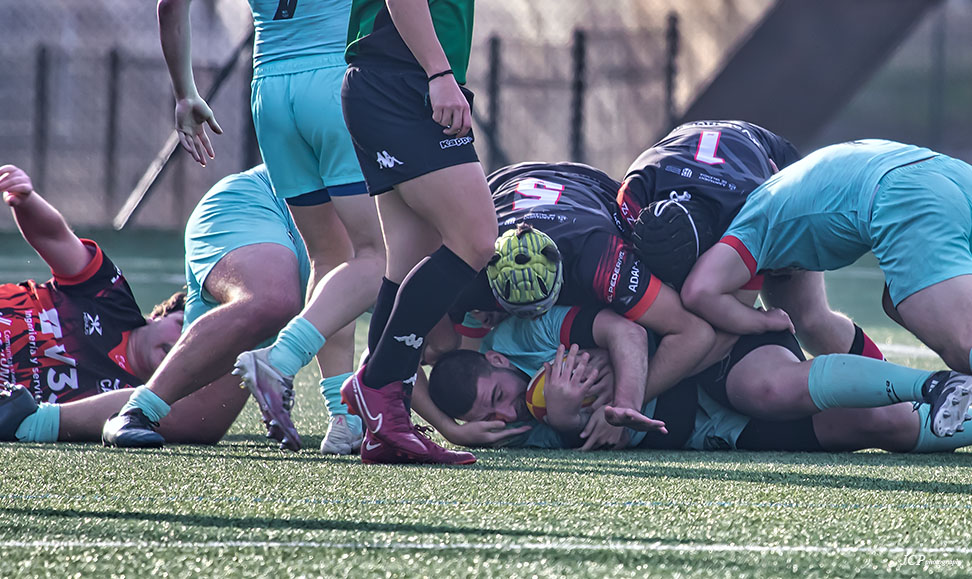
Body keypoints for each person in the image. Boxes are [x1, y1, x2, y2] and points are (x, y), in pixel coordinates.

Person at [237, 0, 496, 465]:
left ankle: (384, 422)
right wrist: (439, 75)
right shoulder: (419, 71)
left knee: (407, 258)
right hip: (403, 81)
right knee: (475, 238)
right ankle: (375, 385)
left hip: (384, 81)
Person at [155, 0, 384, 451]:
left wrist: (184, 93)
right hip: (336, 80)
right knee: (380, 255)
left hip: (271, 91)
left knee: (329, 257)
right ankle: (280, 359)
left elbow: (169, 7)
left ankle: (343, 421)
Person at [421, 305, 972, 453]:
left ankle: (933, 384)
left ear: (495, 362)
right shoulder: (502, 432)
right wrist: (565, 423)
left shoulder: (521, 336)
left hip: (709, 366)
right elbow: (377, 379)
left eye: (497, 396)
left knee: (771, 388)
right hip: (708, 432)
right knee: (886, 429)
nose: (503, 412)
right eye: (487, 415)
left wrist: (627, 396)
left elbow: (622, 331)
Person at [681, 138, 972, 419]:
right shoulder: (797, 186)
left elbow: (699, 290)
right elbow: (812, 322)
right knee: (897, 303)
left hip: (909, 196)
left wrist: (764, 321)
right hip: (950, 174)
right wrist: (890, 393)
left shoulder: (754, 220)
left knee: (962, 343)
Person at [449, 161, 716, 406]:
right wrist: (450, 430)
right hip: (503, 183)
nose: (534, 320)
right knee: (450, 352)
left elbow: (693, 333)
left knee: (680, 296)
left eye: (541, 309)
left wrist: (621, 403)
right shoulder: (467, 266)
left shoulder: (600, 262)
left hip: (593, 189)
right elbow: (433, 354)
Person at [619, 120, 883, 360]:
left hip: (771, 169)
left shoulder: (749, 214)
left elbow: (722, 336)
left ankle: (903, 395)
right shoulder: (634, 191)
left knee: (809, 319)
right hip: (710, 159)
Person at [0, 164, 185, 443]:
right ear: (159, 315)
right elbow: (55, 238)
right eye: (182, 325)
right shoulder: (112, 297)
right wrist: (27, 200)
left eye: (192, 341)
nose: (181, 342)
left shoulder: (133, 411)